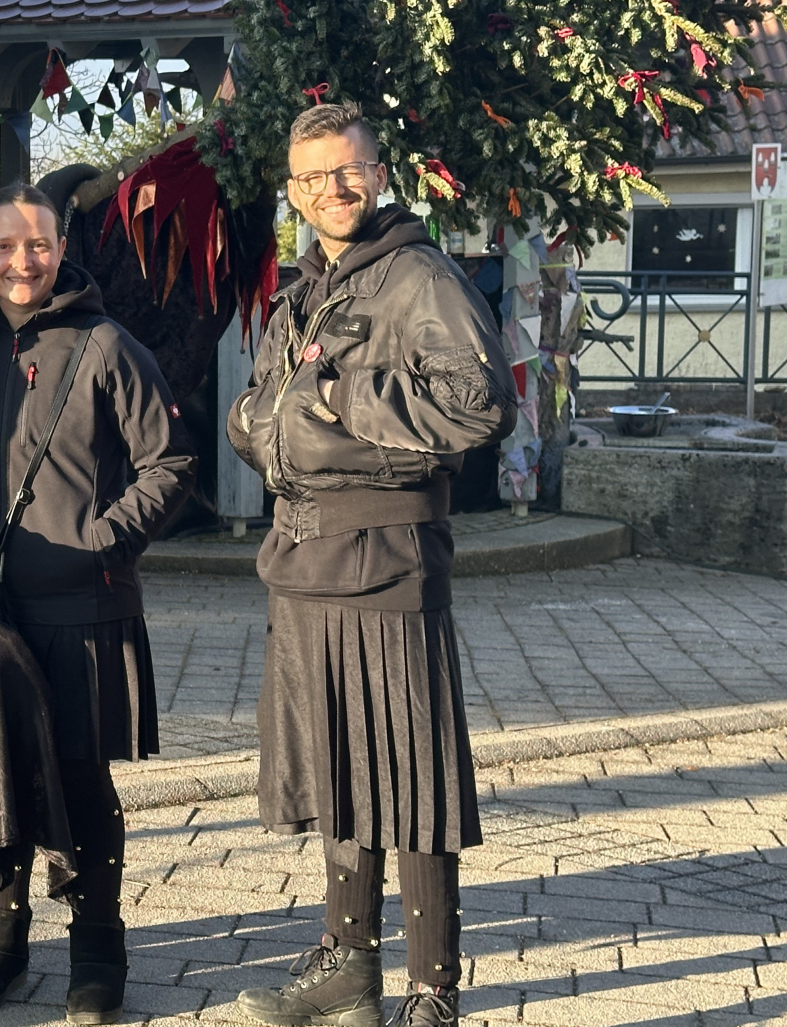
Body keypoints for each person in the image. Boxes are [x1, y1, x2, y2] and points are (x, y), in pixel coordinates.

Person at [227, 102, 517, 1027]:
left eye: (348, 170)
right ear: (293, 191)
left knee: (413, 778)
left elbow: (479, 405)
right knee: (339, 769)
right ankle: (348, 968)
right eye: (313, 177)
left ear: (379, 173)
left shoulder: (418, 277)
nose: (333, 189)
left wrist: (340, 393)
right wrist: (256, 422)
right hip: (301, 560)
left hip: (388, 561)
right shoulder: (305, 287)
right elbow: (266, 405)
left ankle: (434, 993)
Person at [0, 182, 196, 1025]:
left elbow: (170, 465)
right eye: (4, 246)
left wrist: (103, 541)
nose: (22, 261)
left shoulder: (108, 345)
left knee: (81, 778)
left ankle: (98, 948)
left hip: (83, 604)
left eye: (37, 244)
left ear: (60, 248)